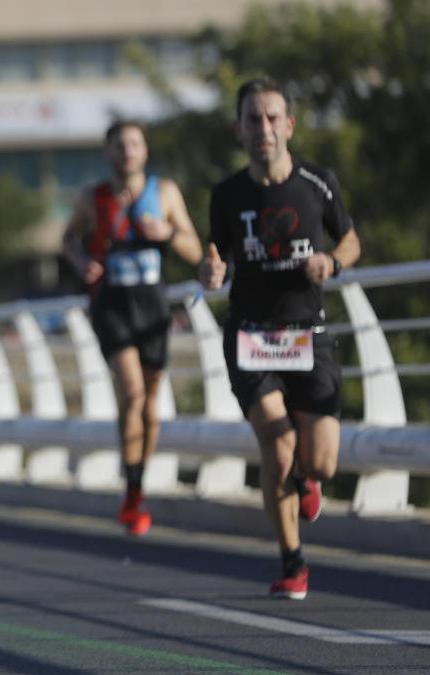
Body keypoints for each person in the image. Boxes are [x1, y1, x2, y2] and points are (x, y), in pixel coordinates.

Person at [200, 78, 361, 600]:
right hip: (251, 335)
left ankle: (310, 481)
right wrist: (211, 271)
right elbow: (216, 259)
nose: (263, 128)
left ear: (288, 125)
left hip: (307, 333)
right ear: (239, 129)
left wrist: (333, 261)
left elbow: (351, 239)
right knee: (276, 438)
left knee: (322, 462)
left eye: (272, 118)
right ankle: (293, 562)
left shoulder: (318, 182)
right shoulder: (227, 194)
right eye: (253, 119)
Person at [63, 120, 203, 536]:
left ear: (145, 151)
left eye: (135, 144)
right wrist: (81, 262)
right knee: (133, 392)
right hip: (112, 303)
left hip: (153, 303)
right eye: (120, 145)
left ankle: (137, 486)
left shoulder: (165, 193)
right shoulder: (94, 197)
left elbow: (194, 248)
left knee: (150, 404)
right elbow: (68, 239)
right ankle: (132, 489)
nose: (128, 152)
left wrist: (169, 232)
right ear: (108, 153)